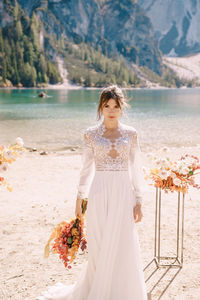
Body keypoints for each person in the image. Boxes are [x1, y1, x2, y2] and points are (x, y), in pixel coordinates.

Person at [37, 85, 148, 300]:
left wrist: (139, 200)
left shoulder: (131, 134)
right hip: (99, 193)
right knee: (99, 244)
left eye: (115, 106)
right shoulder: (91, 134)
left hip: (123, 194)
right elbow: (86, 169)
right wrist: (80, 198)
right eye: (107, 106)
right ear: (101, 107)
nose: (111, 110)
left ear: (122, 107)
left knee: (124, 244)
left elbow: (135, 169)